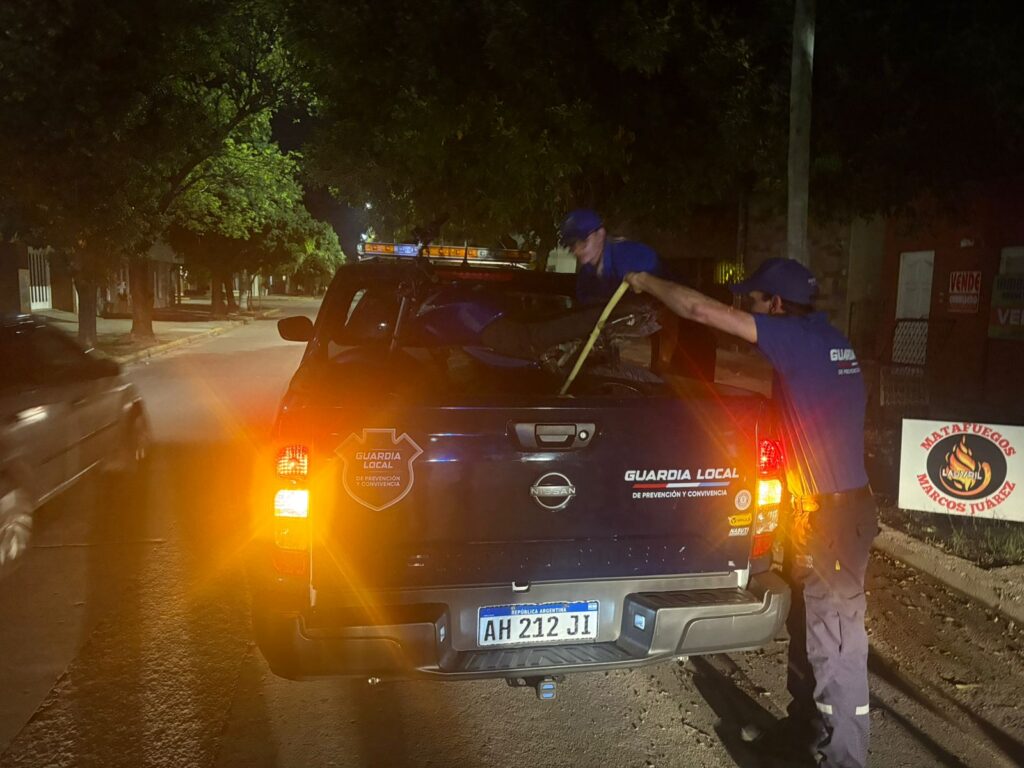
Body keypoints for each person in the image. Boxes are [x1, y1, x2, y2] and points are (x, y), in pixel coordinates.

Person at [625, 257, 877, 768]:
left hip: (831, 519)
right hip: (825, 511)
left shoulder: (794, 339)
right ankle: (805, 730)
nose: (748, 308)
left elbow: (700, 310)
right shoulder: (831, 341)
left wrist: (645, 281)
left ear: (776, 304)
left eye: (754, 300)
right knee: (808, 627)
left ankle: (845, 759)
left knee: (836, 642)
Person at [559, 209, 662, 306]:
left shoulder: (633, 256)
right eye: (571, 245)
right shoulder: (586, 274)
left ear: (600, 234)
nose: (576, 251)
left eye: (582, 242)